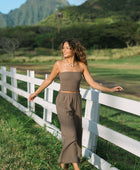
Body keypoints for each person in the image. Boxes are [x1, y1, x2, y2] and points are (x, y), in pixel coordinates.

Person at [28, 38, 123, 170]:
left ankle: (63, 162)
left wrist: (111, 89)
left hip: (76, 100)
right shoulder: (59, 64)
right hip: (63, 100)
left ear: (74, 49)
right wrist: (36, 92)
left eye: (67, 48)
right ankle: (76, 166)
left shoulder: (81, 66)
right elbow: (49, 79)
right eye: (63, 48)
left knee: (76, 132)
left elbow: (93, 83)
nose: (64, 50)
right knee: (70, 133)